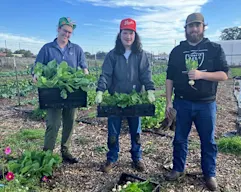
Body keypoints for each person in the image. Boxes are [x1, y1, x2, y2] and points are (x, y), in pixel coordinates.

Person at [164, 13, 229, 191]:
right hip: (182, 103)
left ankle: (209, 174)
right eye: (190, 26)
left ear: (203, 27)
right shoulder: (177, 51)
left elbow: (224, 75)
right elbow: (169, 78)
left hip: (206, 104)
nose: (193, 29)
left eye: (197, 25)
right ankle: (178, 169)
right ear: (185, 29)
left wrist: (202, 75)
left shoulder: (214, 48)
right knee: (179, 139)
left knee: (208, 141)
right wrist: (168, 102)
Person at [95, 18, 155, 173]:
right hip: (116, 99)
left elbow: (145, 74)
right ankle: (112, 157)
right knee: (113, 132)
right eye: (125, 33)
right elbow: (106, 75)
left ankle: (137, 157)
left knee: (136, 131)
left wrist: (149, 89)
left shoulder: (140, 55)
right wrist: (100, 90)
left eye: (131, 33)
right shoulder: (112, 55)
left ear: (135, 35)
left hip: (134, 99)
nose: (128, 36)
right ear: (120, 34)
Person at [32, 17, 89, 164]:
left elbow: (84, 67)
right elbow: (37, 67)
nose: (67, 34)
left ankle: (66, 151)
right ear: (58, 29)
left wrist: (85, 74)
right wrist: (36, 75)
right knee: (53, 123)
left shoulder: (76, 49)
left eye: (70, 32)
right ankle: (47, 154)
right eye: (65, 31)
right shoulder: (47, 48)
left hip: (71, 92)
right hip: (52, 93)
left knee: (70, 122)